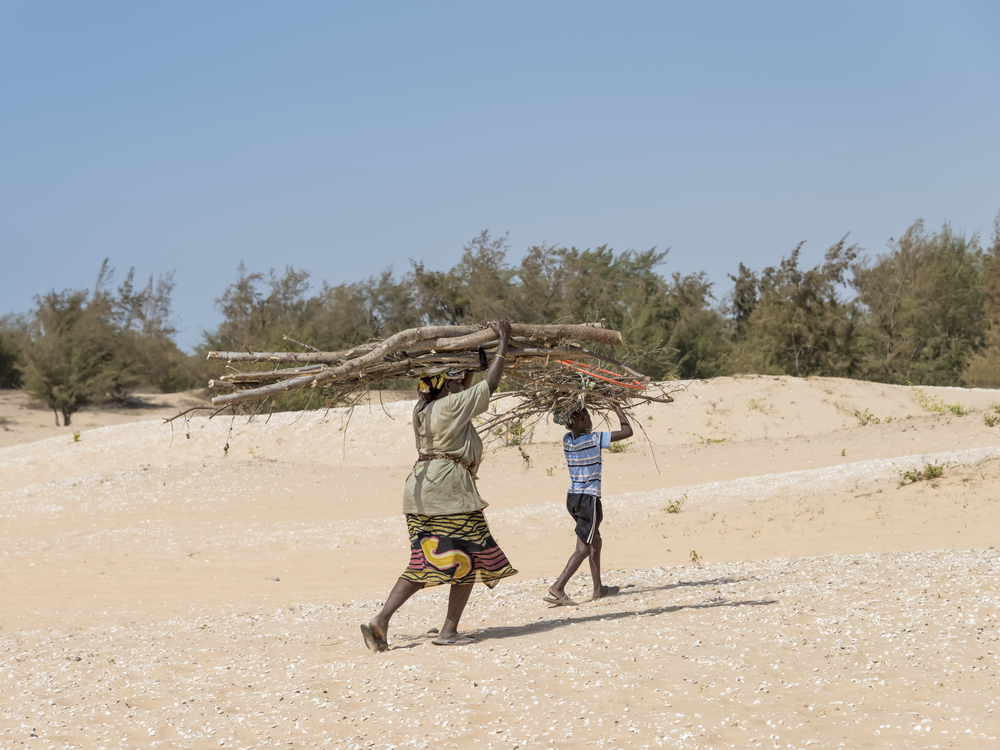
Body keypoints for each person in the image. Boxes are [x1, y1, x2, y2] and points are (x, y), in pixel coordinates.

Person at [361, 320, 517, 651]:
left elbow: (465, 390)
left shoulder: (424, 408)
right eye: (455, 380)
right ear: (447, 386)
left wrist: (467, 366)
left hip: (421, 493)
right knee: (470, 557)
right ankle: (446, 631)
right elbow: (489, 385)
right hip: (449, 495)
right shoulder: (449, 406)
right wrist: (502, 342)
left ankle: (382, 620)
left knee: (424, 560)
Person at [543, 401, 632, 606]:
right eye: (589, 416)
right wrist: (617, 407)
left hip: (573, 498)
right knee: (583, 549)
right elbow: (627, 431)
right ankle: (558, 586)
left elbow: (573, 426)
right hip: (588, 500)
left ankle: (598, 588)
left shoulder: (567, 439)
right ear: (583, 420)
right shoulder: (594, 439)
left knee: (595, 540)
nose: (592, 420)